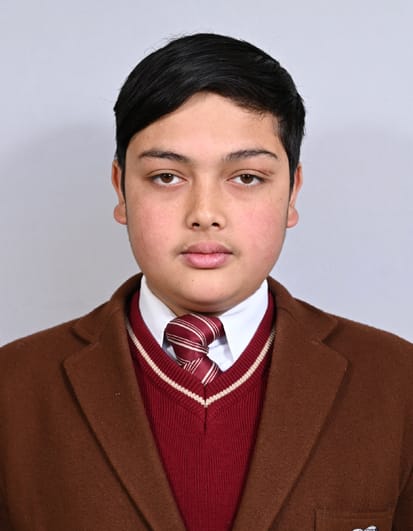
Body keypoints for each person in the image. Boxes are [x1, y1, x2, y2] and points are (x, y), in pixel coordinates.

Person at [0, 33, 411, 531]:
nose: (205, 213)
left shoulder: (396, 382)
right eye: (167, 177)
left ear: (292, 192)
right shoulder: (13, 387)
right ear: (121, 190)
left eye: (247, 177)